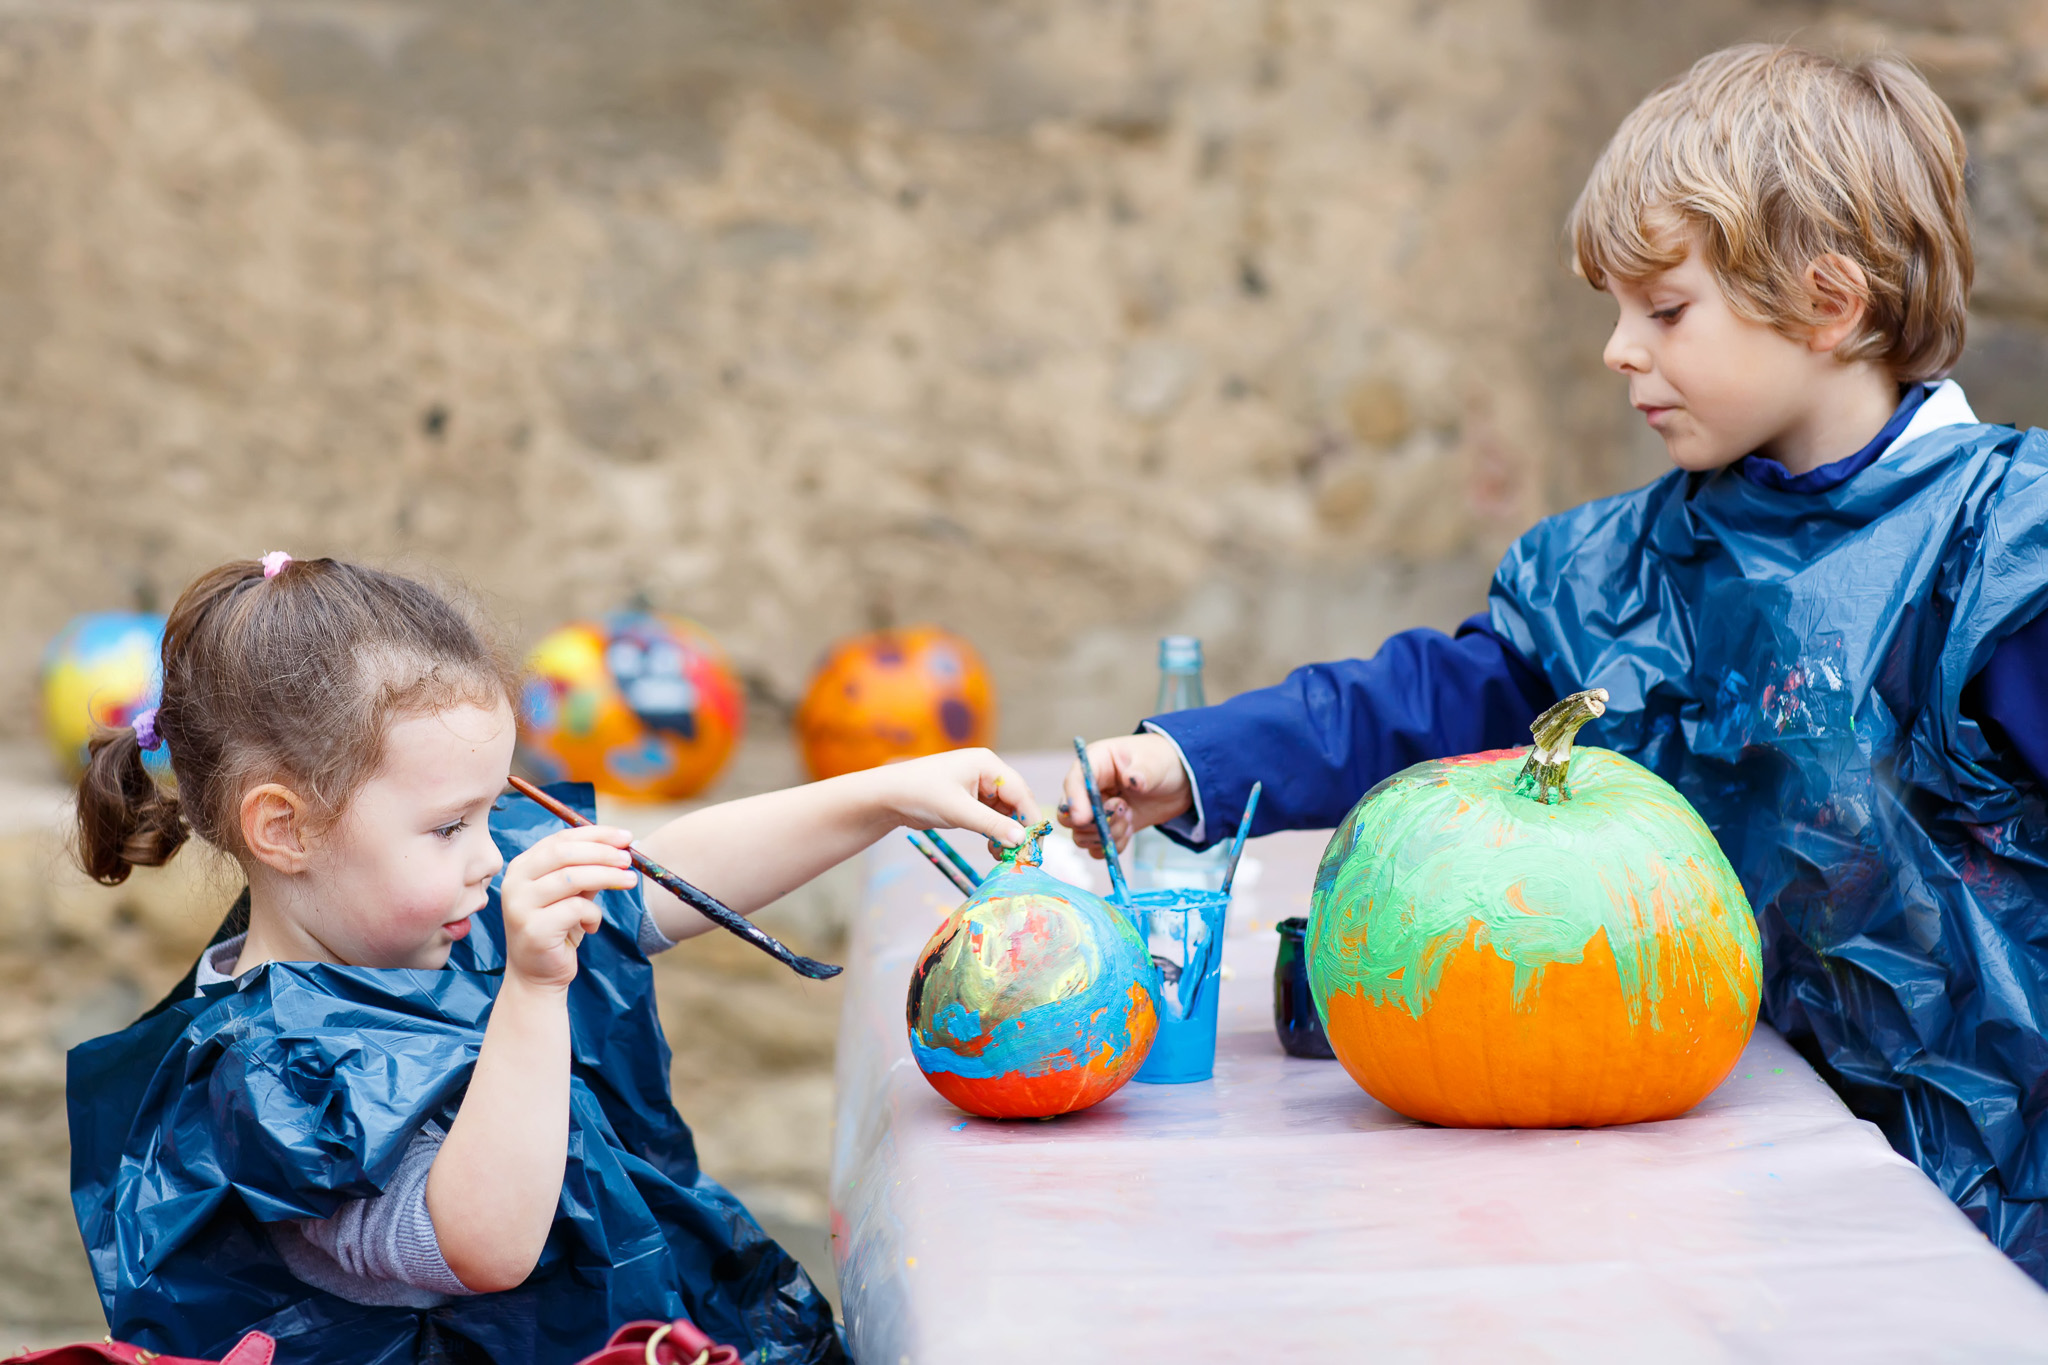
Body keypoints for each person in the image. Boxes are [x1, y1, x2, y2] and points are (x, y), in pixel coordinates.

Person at [1062, 44, 2048, 1281]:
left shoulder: (2004, 558)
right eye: (1614, 311)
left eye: (1665, 309)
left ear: (1828, 303)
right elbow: (1431, 702)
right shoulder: (1624, 572)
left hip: (1991, 1227)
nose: (1617, 352)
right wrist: (1190, 763)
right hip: (1717, 1207)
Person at [67, 553, 1040, 1364]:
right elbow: (478, 1242)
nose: (492, 857)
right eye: (451, 824)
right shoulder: (271, 1076)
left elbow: (655, 878)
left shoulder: (410, 902)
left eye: (493, 809)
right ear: (283, 829)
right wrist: (533, 987)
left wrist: (880, 796)